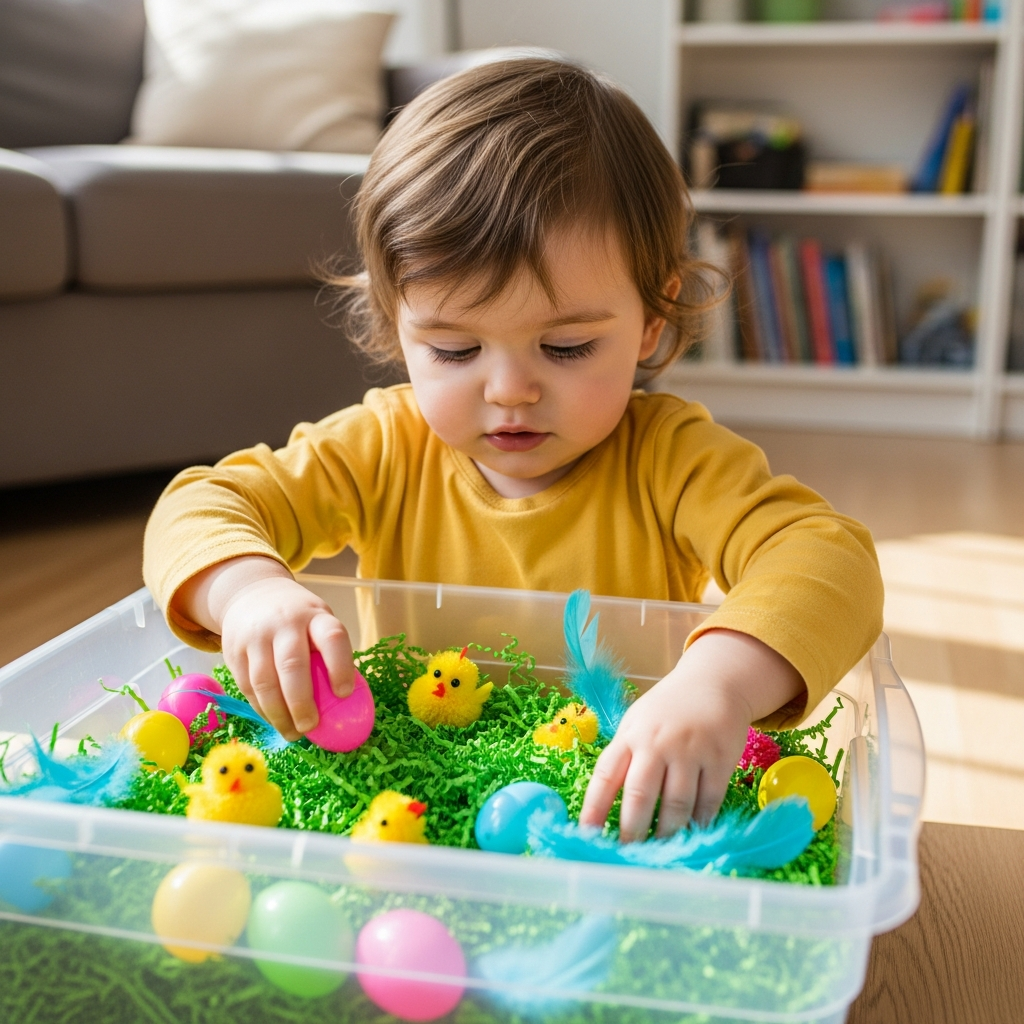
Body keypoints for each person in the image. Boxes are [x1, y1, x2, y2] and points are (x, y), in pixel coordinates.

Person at [143, 58, 883, 843]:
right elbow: (200, 504)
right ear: (399, 328)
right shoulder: (384, 446)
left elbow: (829, 557)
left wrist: (717, 685)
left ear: (654, 322)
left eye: (565, 347)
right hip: (409, 811)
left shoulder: (672, 460)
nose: (509, 391)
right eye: (456, 350)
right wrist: (250, 591)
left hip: (611, 811)